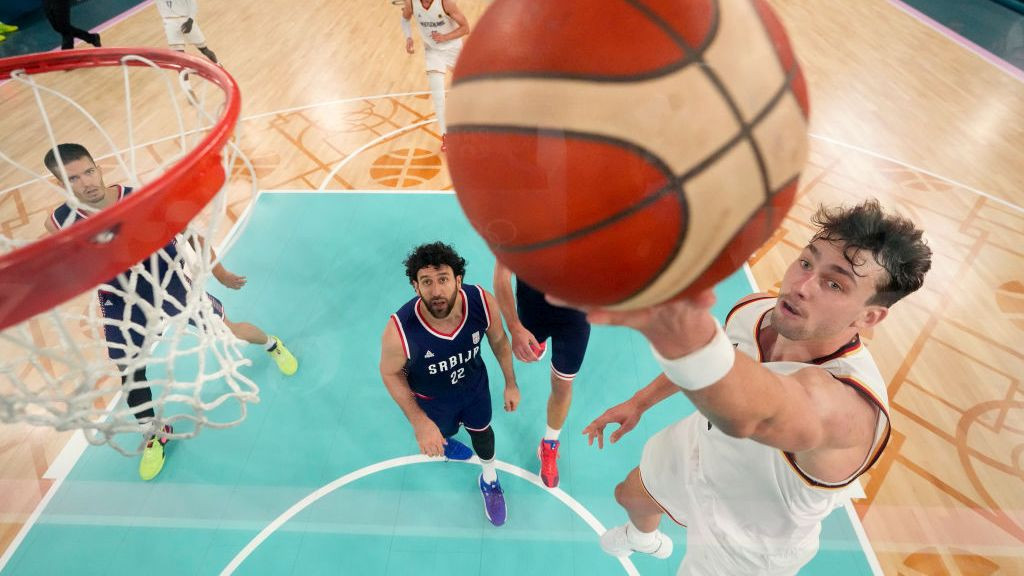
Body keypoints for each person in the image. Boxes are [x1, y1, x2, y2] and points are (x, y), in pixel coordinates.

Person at [582, 200, 931, 575]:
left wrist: (666, 317)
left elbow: (752, 413)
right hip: (702, 450)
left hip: (749, 541)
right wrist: (640, 402)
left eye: (834, 283)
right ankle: (641, 538)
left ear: (869, 316)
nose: (802, 286)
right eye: (806, 262)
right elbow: (716, 364)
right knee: (629, 495)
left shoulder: (846, 408)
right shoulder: (756, 310)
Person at [43, 143, 298, 481]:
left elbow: (189, 233)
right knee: (130, 370)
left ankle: (271, 344)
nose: (86, 182)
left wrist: (219, 272)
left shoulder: (141, 198)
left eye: (89, 171)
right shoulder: (58, 221)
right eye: (73, 178)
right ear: (61, 184)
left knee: (229, 330)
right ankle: (153, 432)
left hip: (169, 286)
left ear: (99, 167)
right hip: (120, 298)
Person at [380, 242, 519, 526]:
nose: (436, 291)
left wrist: (510, 383)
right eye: (426, 282)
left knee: (483, 434)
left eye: (443, 279)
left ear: (458, 279)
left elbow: (500, 341)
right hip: (432, 402)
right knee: (442, 434)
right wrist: (420, 423)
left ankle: (489, 479)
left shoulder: (482, 301)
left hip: (474, 389)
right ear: (415, 286)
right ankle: (445, 440)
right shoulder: (400, 330)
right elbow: (390, 373)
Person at [493, 262, 591, 488]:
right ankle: (539, 340)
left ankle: (549, 444)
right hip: (533, 309)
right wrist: (515, 327)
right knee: (529, 351)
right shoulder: (523, 228)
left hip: (574, 319)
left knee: (562, 384)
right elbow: (501, 277)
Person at [398, 0, 470, 153]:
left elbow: (465, 28)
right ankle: (446, 136)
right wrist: (408, 37)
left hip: (452, 49)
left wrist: (445, 37)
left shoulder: (446, 3)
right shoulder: (411, 3)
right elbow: (405, 19)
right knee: (437, 95)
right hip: (432, 51)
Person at [155, 0, 219, 65]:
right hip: (170, 23)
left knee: (204, 49)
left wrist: (190, 20)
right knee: (179, 56)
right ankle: (183, 74)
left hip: (186, 20)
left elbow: (193, 5)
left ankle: (218, 65)